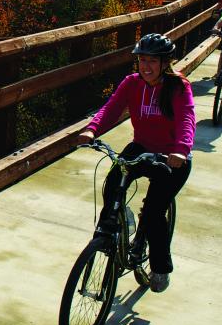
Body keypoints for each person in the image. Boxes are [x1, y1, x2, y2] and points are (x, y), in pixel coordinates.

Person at [76, 33, 195, 293]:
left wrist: (181, 150)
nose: (146, 66)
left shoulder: (178, 87)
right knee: (112, 184)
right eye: (142, 60)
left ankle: (161, 268)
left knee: (153, 213)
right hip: (142, 147)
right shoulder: (132, 83)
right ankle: (113, 228)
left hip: (171, 157)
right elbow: (111, 108)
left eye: (152, 61)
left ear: (165, 62)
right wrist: (92, 129)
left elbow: (187, 118)